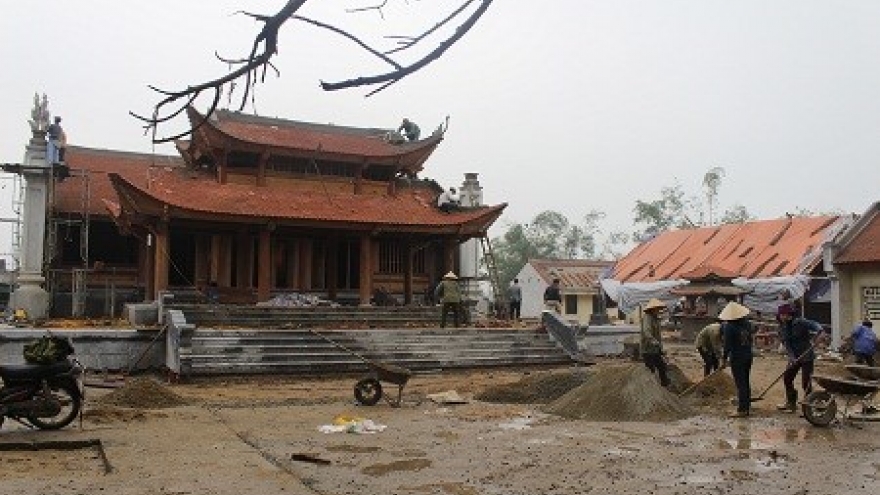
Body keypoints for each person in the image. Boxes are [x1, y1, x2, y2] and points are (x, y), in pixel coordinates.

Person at [776, 304, 825, 412]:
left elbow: (815, 325)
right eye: (781, 315)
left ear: (790, 314)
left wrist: (821, 332)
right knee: (787, 378)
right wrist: (792, 358)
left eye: (784, 315)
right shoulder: (782, 327)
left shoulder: (800, 322)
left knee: (806, 383)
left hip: (807, 356)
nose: (782, 317)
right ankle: (791, 403)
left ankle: (809, 407)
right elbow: (787, 344)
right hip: (794, 356)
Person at [719, 301, 754, 418]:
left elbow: (727, 345)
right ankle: (747, 405)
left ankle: (742, 410)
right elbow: (750, 340)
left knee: (740, 383)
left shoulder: (729, 327)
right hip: (748, 356)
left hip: (737, 357)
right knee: (746, 381)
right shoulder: (747, 324)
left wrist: (723, 359)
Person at [639, 298, 670, 387]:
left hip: (655, 349)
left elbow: (658, 336)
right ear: (652, 309)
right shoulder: (647, 318)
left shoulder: (655, 319)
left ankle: (665, 384)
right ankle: (650, 387)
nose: (659, 310)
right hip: (648, 349)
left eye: (659, 308)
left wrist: (660, 348)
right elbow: (646, 332)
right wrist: (654, 341)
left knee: (662, 366)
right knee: (650, 369)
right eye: (657, 309)